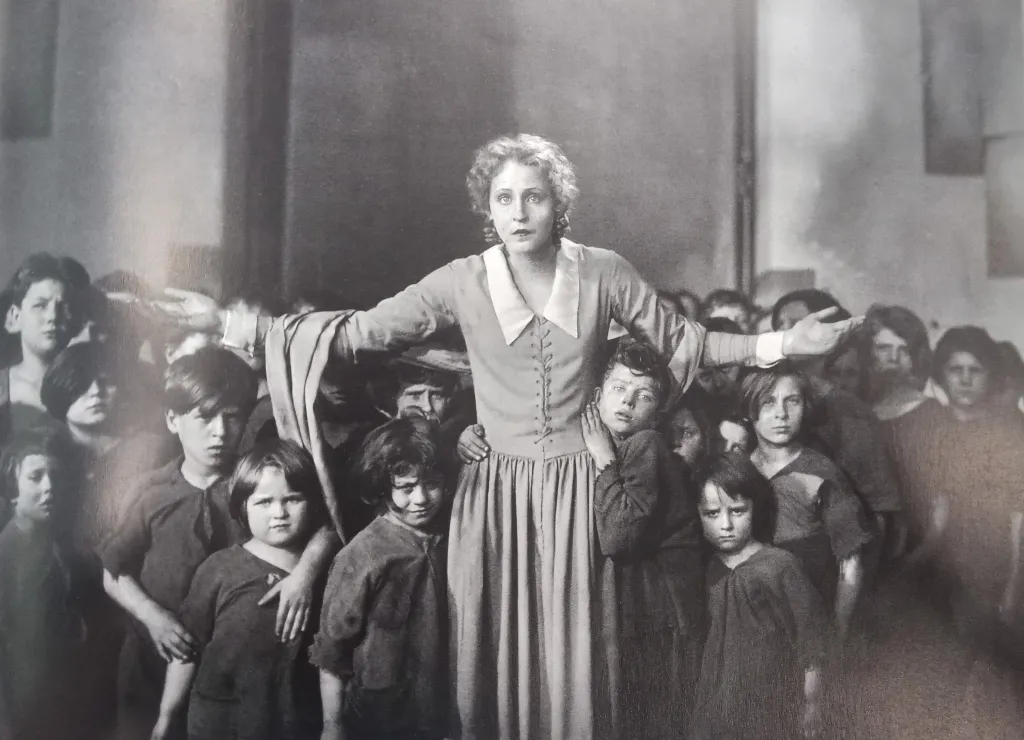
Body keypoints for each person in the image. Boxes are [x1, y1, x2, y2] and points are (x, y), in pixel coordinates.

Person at [157, 133, 859, 739]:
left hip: (580, 494)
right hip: (490, 498)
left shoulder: (603, 270)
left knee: (576, 661)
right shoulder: (461, 281)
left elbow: (686, 340)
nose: (519, 211)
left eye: (534, 196)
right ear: (487, 211)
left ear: (560, 204)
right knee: (485, 658)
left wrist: (785, 342)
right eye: (504, 198)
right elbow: (361, 333)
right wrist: (229, 324)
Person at [99, 347, 338, 740]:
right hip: (158, 654)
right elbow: (113, 570)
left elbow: (327, 529)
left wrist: (304, 576)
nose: (220, 432)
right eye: (205, 417)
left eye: (232, 417)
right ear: (173, 419)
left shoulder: (259, 484)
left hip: (235, 664)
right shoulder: (150, 492)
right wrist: (153, 618)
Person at [151, 440, 326, 740]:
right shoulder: (220, 568)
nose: (279, 512)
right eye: (264, 502)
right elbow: (187, 650)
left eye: (293, 499)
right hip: (221, 723)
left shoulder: (324, 570)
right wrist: (167, 716)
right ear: (242, 506)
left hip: (292, 723)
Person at [580, 340, 703, 738]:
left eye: (644, 395)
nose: (627, 402)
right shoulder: (622, 445)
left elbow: (618, 537)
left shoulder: (645, 444)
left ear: (659, 413)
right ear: (597, 396)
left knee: (645, 711)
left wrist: (604, 460)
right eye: (619, 388)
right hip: (649, 600)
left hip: (661, 603)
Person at [313, 416, 451, 740]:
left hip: (439, 710)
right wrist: (332, 726)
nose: (421, 498)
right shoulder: (362, 555)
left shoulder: (450, 538)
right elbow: (332, 651)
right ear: (381, 487)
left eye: (431, 484)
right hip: (378, 716)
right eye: (406, 488)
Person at [690, 452, 828, 740]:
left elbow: (812, 641)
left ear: (756, 508)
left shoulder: (780, 565)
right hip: (716, 711)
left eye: (737, 511)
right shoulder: (703, 571)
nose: (725, 525)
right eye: (712, 513)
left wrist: (812, 705)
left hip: (772, 706)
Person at [905, 327, 1024, 660]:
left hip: (991, 562)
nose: (965, 380)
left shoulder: (1010, 434)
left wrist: (1013, 588)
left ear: (991, 376)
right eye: (956, 370)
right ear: (941, 375)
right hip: (936, 563)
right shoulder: (928, 428)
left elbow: (1019, 519)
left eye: (976, 370)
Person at [743, 365, 871, 637]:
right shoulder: (738, 470)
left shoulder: (822, 472)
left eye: (792, 401)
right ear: (749, 409)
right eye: (768, 402)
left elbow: (850, 561)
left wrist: (839, 630)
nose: (781, 414)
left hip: (809, 614)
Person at [0, 430, 89, 740]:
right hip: (21, 705)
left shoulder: (59, 545)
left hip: (63, 695)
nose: (49, 487)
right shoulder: (6, 554)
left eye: (55, 477)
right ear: (12, 490)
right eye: (35, 477)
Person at [0, 253, 88, 444]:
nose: (52, 316)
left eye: (63, 306)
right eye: (40, 305)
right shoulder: (2, 388)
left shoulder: (92, 387)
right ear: (14, 317)